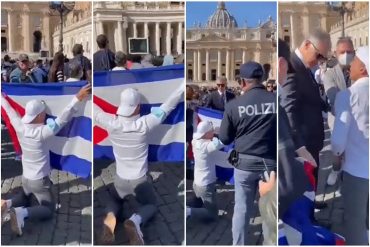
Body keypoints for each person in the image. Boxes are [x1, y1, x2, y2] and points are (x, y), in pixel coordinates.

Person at [95, 82, 184, 245]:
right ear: (137, 108)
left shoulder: (111, 123)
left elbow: (95, 112)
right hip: (140, 181)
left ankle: (110, 218)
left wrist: (80, 97)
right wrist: (180, 88)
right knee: (151, 204)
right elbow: (166, 108)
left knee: (115, 200)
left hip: (120, 179)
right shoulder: (143, 124)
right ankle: (135, 221)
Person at [0, 84, 91, 235]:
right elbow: (63, 118)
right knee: (48, 209)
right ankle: (22, 214)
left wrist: (1, 97)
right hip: (40, 181)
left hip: (26, 177)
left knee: (24, 197)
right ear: (39, 116)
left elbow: (9, 111)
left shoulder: (19, 126)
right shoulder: (43, 132)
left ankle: (6, 203)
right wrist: (77, 98)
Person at [219, 61, 276, 245]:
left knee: (242, 208)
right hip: (270, 163)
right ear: (261, 79)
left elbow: (225, 138)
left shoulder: (233, 105)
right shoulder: (276, 100)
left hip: (244, 162)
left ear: (242, 82)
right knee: (269, 208)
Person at [280, 30, 331, 210]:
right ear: (307, 44)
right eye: (318, 55)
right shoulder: (293, 68)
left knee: (311, 184)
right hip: (303, 145)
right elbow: (289, 110)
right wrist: (300, 147)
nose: (319, 61)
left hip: (312, 142)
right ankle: (308, 224)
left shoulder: (305, 68)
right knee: (303, 188)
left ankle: (311, 211)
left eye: (322, 58)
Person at [331, 46, 369, 245]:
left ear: (363, 68)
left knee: (355, 224)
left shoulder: (347, 95)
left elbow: (338, 139)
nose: (349, 66)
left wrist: (337, 155)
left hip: (356, 170)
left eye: (354, 62)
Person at [323, 37, 355, 186]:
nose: (346, 54)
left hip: (358, 120)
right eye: (343, 52)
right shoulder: (330, 74)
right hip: (338, 119)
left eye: (349, 51)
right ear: (336, 53)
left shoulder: (362, 70)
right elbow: (333, 97)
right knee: (337, 151)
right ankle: (335, 170)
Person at [186, 121, 224, 221]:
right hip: (206, 186)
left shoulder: (195, 140)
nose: (213, 132)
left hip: (197, 183)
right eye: (211, 131)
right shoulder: (207, 146)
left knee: (198, 202)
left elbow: (212, 139)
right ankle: (188, 212)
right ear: (206, 133)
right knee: (212, 214)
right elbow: (223, 141)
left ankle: (193, 206)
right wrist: (218, 134)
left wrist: (213, 134)